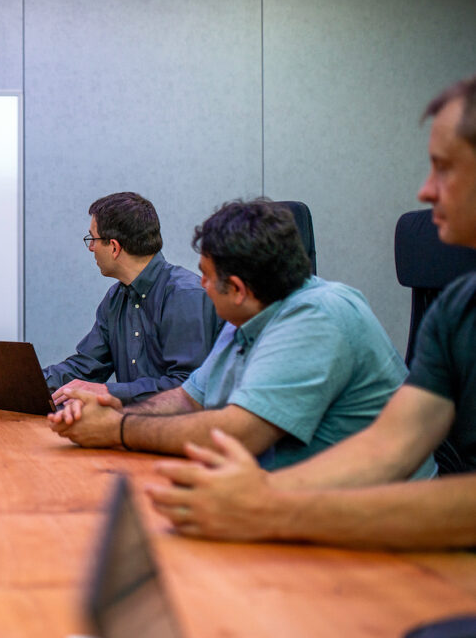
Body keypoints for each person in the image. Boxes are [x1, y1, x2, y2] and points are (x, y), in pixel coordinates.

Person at [144, 75, 476, 550]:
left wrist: (270, 507)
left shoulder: (323, 313)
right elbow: (391, 444)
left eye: (445, 169)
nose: (425, 191)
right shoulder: (457, 307)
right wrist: (252, 497)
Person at [48, 198, 430, 474]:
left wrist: (118, 428)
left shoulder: (318, 316)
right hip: (293, 499)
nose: (200, 285)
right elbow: (187, 398)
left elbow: (241, 432)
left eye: (207, 275)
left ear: (237, 288)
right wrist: (112, 410)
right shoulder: (245, 319)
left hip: (380, 519)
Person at [43, 192, 222, 405]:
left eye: (93, 239)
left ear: (115, 247)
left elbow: (186, 388)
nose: (91, 248)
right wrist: (24, 383)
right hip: (132, 429)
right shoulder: (115, 298)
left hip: (179, 433)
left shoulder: (185, 295)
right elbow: (86, 367)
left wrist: (108, 391)